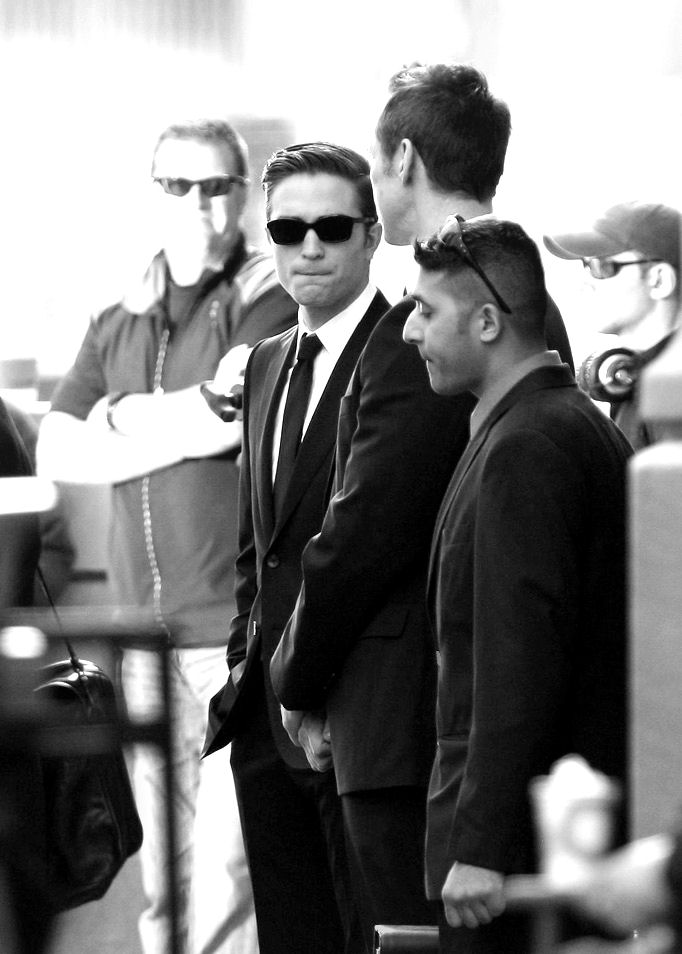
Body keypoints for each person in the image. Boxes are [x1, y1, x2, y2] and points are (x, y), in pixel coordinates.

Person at [270, 62, 574, 952]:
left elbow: (364, 531)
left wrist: (294, 680)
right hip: (447, 735)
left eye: (373, 161)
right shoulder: (521, 301)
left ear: (402, 159)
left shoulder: (446, 318)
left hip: (415, 732)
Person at [36, 118, 297, 954]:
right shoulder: (121, 311)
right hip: (143, 637)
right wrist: (172, 421)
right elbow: (56, 450)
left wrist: (113, 419)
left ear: (242, 196)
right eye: (179, 185)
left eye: (217, 186)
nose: (199, 203)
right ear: (155, 194)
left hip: (228, 632)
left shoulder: (265, 295)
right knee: (165, 870)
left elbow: (229, 420)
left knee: (226, 866)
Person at [401, 214, 632, 953]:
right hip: (553, 836)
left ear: (488, 322)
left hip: (525, 853)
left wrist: (481, 844)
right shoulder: (554, 423)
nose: (409, 330)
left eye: (426, 310)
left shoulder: (528, 445)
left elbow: (516, 664)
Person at [204, 141, 388, 954]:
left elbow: (371, 547)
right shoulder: (267, 361)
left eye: (332, 227)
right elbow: (259, 545)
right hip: (262, 720)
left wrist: (307, 686)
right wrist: (244, 665)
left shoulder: (406, 350)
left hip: (356, 719)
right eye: (288, 229)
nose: (308, 246)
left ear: (372, 233)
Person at [544, 201, 681, 449]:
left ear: (660, 280)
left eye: (602, 266)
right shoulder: (635, 381)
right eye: (586, 264)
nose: (583, 284)